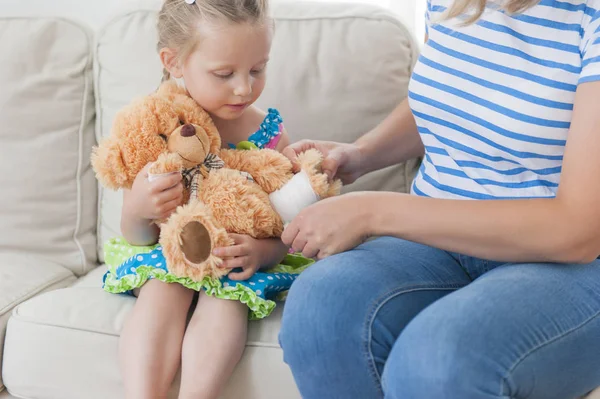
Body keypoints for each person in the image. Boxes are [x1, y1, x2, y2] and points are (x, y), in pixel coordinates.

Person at [279, 0, 600, 398]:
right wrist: (360, 155)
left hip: (567, 265)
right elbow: (450, 101)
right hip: (438, 247)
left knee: (437, 360)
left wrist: (372, 211)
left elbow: (577, 231)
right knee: (320, 310)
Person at [104, 1, 301, 398]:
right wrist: (139, 209)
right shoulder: (155, 126)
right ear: (174, 62)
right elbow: (136, 237)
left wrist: (263, 252)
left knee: (226, 300)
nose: (244, 87)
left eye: (257, 69)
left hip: (231, 262)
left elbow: (290, 224)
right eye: (224, 73)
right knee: (164, 288)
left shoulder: (269, 135)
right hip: (168, 253)